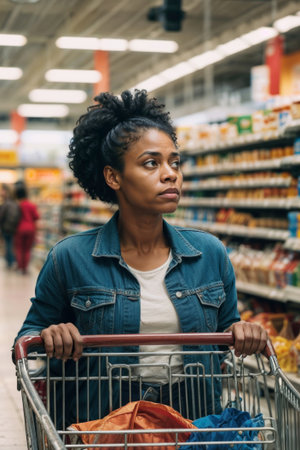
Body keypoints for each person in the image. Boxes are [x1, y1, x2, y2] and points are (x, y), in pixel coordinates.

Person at [14, 89, 268, 427]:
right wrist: (50, 334)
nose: (170, 174)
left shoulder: (210, 253)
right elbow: (26, 340)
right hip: (106, 425)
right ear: (113, 177)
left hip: (192, 425)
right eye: (151, 163)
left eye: (174, 162)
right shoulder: (70, 257)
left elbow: (226, 332)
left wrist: (243, 331)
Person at [14, 182, 39, 274]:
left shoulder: (18, 205)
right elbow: (36, 217)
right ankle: (25, 268)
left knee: (19, 248)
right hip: (30, 229)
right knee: (27, 249)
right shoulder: (31, 205)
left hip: (19, 229)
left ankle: (20, 266)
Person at [0, 184, 21, 268]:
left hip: (6, 227)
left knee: (8, 245)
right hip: (14, 227)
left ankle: (10, 261)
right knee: (11, 245)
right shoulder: (15, 203)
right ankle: (12, 260)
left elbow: (1, 216)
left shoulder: (6, 203)